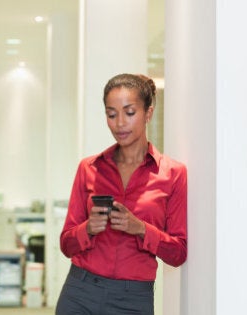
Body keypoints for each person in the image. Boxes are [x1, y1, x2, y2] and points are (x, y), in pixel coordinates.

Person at [56, 73, 188, 315]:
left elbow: (178, 253)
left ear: (148, 113)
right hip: (80, 292)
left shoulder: (173, 174)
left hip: (133, 300)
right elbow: (66, 244)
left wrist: (141, 228)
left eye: (129, 112)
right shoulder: (89, 168)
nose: (119, 123)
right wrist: (88, 228)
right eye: (111, 114)